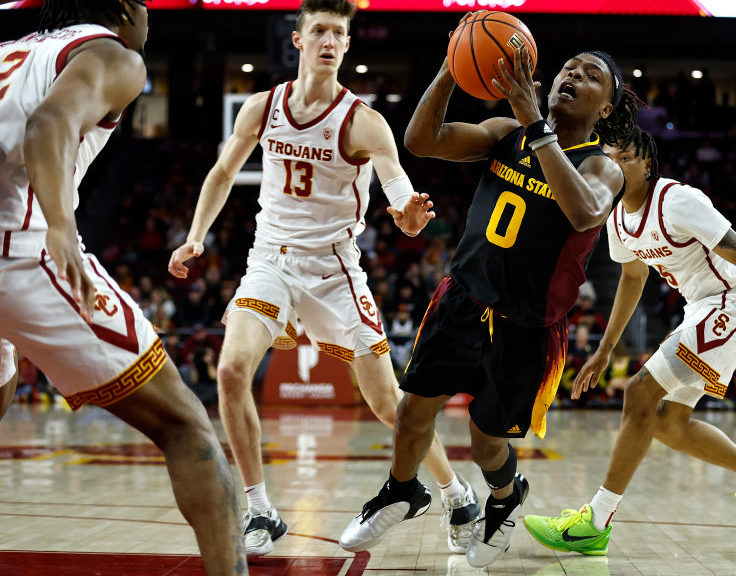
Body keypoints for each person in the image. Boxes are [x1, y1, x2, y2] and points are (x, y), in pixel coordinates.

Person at [167, 0, 476, 558]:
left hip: (333, 268)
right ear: (299, 40)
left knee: (388, 405)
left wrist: (407, 213)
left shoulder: (363, 120)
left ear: (347, 45)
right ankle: (260, 510)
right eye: (320, 31)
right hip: (269, 262)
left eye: (339, 32)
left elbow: (395, 180)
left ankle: (456, 493)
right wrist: (196, 235)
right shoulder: (263, 108)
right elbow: (222, 172)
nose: (329, 40)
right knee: (232, 370)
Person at [339, 26, 639, 568]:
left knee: (485, 444)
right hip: (462, 299)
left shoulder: (602, 166)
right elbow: (422, 142)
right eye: (570, 66)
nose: (573, 74)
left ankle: (505, 495)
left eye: (591, 75)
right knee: (412, 413)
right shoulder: (505, 131)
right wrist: (453, 65)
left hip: (526, 324)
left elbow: (584, 212)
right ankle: (402, 490)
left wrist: (535, 123)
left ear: (607, 107)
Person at [0, 2, 246, 574]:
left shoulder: (9, 52)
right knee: (186, 425)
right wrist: (60, 225)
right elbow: (49, 124)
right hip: (23, 249)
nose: (149, 21)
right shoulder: (114, 54)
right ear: (121, 9)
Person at [523, 127, 736, 556]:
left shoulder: (678, 200)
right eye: (610, 157)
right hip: (700, 307)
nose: (615, 165)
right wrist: (604, 350)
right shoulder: (617, 217)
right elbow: (632, 278)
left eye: (626, 158)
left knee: (640, 393)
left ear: (647, 165)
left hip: (733, 301)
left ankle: (596, 522)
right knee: (669, 425)